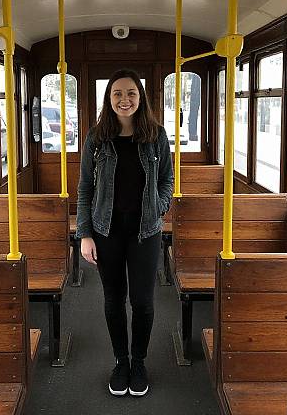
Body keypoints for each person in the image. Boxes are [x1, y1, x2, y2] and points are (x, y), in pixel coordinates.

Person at [75, 69, 173, 397]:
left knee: (143, 302)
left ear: (140, 97)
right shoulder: (97, 137)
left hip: (146, 232)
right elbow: (86, 188)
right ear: (109, 99)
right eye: (117, 93)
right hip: (106, 231)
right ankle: (121, 361)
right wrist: (85, 234)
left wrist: (159, 206)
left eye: (131, 93)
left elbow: (166, 180)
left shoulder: (156, 135)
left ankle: (139, 361)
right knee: (114, 300)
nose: (124, 100)